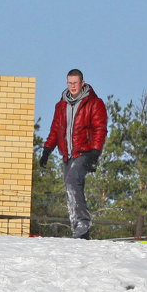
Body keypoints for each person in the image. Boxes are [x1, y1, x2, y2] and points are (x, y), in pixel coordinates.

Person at [39, 69, 108, 240]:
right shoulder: (61, 105)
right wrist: (47, 150)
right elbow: (55, 129)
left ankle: (82, 226)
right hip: (67, 155)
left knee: (72, 182)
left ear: (82, 83)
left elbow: (100, 128)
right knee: (71, 188)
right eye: (69, 83)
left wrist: (95, 152)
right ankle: (77, 230)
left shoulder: (94, 103)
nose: (72, 87)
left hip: (85, 151)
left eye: (75, 83)